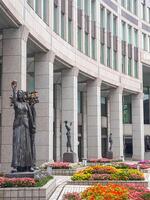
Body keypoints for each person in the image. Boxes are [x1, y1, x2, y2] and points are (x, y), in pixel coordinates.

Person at [11, 81, 34, 172]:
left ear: (23, 96)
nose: (20, 95)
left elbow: (30, 116)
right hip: (17, 125)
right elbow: (13, 100)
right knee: (17, 144)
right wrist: (14, 90)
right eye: (18, 93)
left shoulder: (26, 104)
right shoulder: (16, 104)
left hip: (26, 125)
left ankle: (29, 165)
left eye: (21, 93)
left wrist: (33, 125)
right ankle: (16, 166)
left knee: (27, 145)